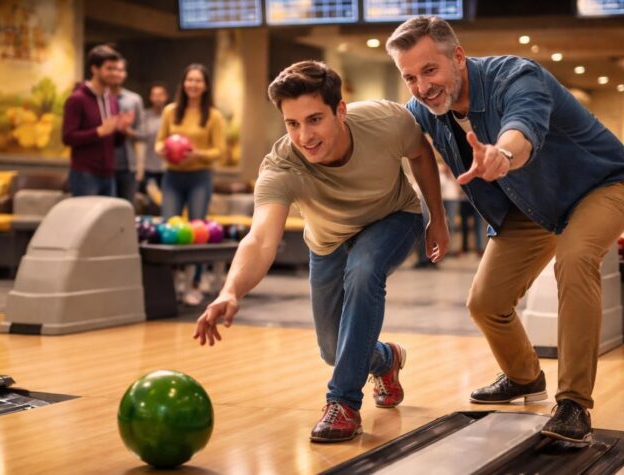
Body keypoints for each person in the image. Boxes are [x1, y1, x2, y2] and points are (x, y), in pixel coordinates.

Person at [387, 16, 624, 444]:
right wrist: (437, 216)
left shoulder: (517, 76)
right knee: (486, 302)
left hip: (600, 185)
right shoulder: (424, 111)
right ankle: (524, 377)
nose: (421, 86)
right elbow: (416, 153)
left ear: (458, 57)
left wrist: (503, 154)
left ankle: (574, 403)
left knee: (576, 260)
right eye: (409, 77)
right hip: (530, 205)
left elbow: (523, 127)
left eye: (430, 70)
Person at [192, 61, 448, 443]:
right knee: (334, 349)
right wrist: (231, 290)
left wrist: (438, 220)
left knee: (363, 271)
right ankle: (386, 358)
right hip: (328, 241)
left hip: (394, 218)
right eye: (292, 124)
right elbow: (260, 239)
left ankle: (343, 404)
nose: (304, 136)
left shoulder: (384, 120)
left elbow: (421, 154)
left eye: (314, 120)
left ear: (340, 110)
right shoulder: (281, 166)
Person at [155, 64, 226, 306]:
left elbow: (219, 151)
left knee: (198, 230)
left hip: (199, 177)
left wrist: (197, 154)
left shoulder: (213, 116)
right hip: (172, 177)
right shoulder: (170, 111)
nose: (193, 85)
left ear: (205, 86)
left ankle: (194, 283)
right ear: (183, 84)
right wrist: (165, 151)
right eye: (189, 80)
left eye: (198, 81)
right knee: (168, 228)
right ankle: (171, 282)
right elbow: (159, 143)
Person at [62, 45, 133, 197]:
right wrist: (98, 132)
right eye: (109, 68)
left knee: (107, 220)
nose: (115, 73)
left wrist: (121, 131)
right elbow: (67, 137)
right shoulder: (77, 99)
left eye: (116, 68)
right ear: (94, 69)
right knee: (85, 220)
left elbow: (114, 143)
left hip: (109, 173)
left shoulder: (112, 100)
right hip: (84, 174)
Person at [111, 59, 145, 206]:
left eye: (121, 70)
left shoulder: (134, 100)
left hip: (128, 166)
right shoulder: (99, 98)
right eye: (113, 69)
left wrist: (126, 130)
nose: (117, 74)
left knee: (126, 210)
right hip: (104, 167)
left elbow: (142, 134)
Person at [137, 83, 169, 194]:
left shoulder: (171, 116)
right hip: (148, 167)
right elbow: (140, 140)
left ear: (166, 96)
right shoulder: (144, 116)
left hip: (167, 168)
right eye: (154, 95)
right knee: (151, 201)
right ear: (150, 97)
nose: (158, 98)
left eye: (160, 95)